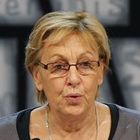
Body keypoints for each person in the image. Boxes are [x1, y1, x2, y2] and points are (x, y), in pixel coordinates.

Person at [0, 11, 140, 140]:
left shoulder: (135, 129)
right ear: (37, 76)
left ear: (100, 72)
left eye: (85, 64)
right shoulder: (4, 134)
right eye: (59, 66)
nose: (73, 79)